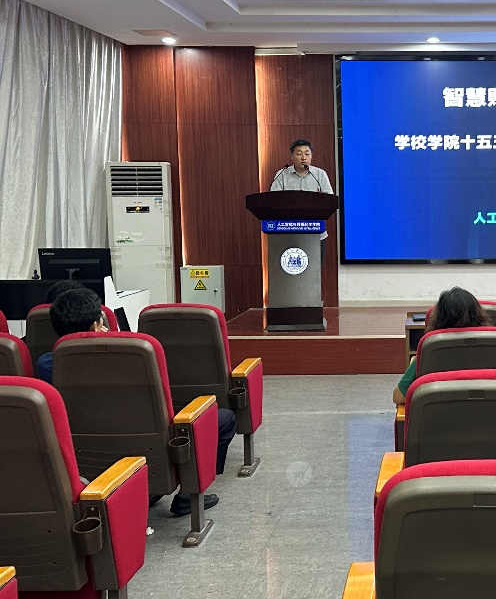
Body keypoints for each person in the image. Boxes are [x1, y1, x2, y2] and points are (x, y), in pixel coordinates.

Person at [37, 288, 236, 517]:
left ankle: (147, 490)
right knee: (224, 418)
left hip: (86, 447)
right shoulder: (133, 357)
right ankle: (188, 495)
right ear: (95, 325)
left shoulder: (46, 365)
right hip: (147, 441)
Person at [393, 287, 489, 405]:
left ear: (438, 318)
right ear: (478, 314)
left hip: (440, 414)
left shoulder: (430, 349)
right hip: (488, 412)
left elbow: (398, 397)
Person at [270, 139, 335, 256]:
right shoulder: (282, 174)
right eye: (299, 154)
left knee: (315, 266)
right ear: (292, 156)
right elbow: (273, 200)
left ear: (311, 156)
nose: (303, 157)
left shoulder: (320, 174)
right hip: (287, 232)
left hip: (315, 232)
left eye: (307, 154)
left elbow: (330, 201)